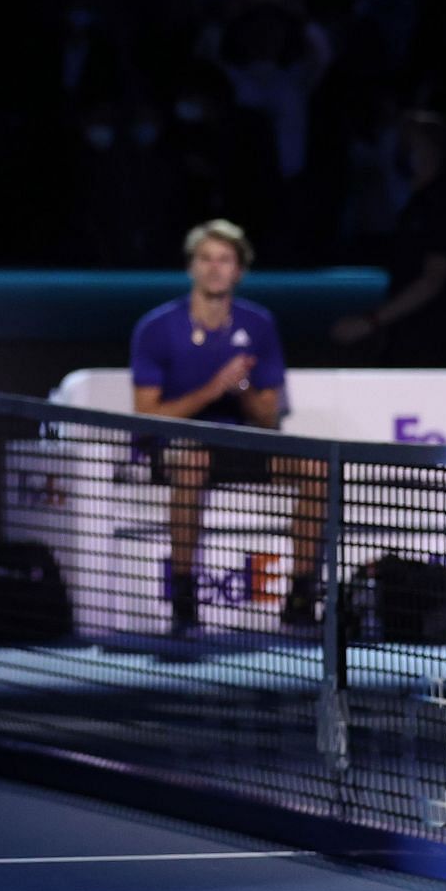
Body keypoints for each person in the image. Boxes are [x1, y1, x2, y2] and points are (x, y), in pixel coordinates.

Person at [130, 220, 326, 635]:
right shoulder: (156, 328)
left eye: (225, 260)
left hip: (242, 445)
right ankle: (184, 602)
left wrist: (242, 388)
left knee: (316, 467)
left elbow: (268, 418)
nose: (215, 268)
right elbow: (146, 416)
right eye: (206, 259)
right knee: (195, 460)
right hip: (180, 448)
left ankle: (301, 598)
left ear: (239, 270)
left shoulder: (259, 325)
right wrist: (212, 388)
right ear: (191, 267)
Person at [331, 111, 446, 364]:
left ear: (430, 151)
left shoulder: (443, 204)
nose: (399, 151)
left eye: (408, 145)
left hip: (438, 345)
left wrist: (369, 322)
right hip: (410, 338)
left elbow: (432, 279)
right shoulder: (415, 204)